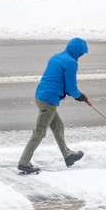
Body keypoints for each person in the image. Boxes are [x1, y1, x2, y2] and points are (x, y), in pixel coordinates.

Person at [18, 38, 89, 173]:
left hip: (41, 96)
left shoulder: (57, 56)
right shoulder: (71, 62)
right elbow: (71, 87)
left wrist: (76, 94)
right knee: (39, 132)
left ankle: (68, 156)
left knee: (58, 126)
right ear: (77, 50)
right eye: (82, 52)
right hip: (49, 100)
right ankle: (24, 162)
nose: (81, 55)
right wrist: (80, 96)